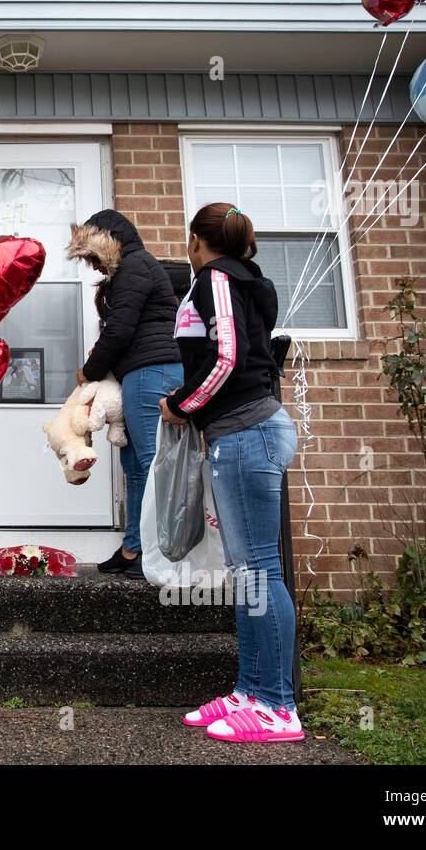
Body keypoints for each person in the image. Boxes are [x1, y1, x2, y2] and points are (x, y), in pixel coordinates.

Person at [163, 203, 302, 743]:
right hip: (241, 434)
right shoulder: (243, 279)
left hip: (246, 433)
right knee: (249, 571)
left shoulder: (216, 277)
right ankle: (251, 691)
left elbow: (226, 357)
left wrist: (182, 404)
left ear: (197, 240)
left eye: (189, 239)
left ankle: (276, 707)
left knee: (259, 571)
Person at [67, 209, 182, 579]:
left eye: (93, 257)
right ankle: (134, 548)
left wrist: (90, 371)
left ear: (107, 244)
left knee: (149, 462)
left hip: (153, 372)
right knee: (134, 464)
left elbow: (119, 331)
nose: (93, 267)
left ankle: (155, 552)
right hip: (140, 372)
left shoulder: (135, 266)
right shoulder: (131, 268)